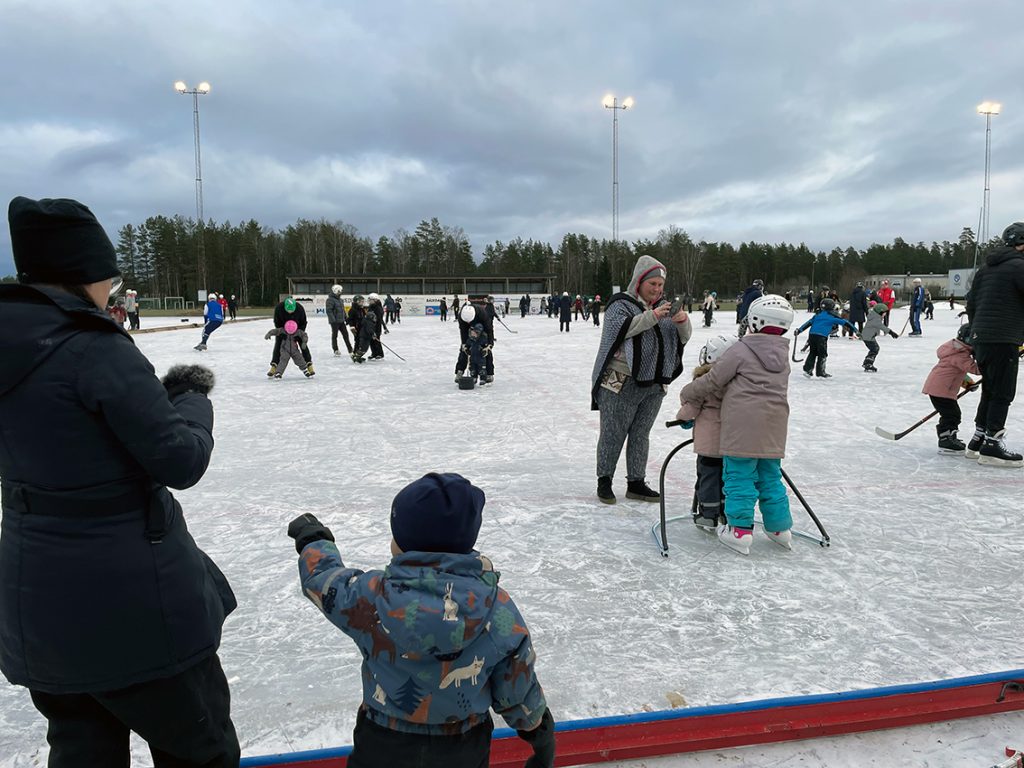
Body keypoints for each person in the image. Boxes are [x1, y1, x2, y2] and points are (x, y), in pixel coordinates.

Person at [0, 196, 239, 766]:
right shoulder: (93, 348)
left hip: (38, 596)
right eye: (109, 278)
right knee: (199, 748)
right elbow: (181, 460)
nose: (111, 291)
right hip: (132, 603)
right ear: (85, 272)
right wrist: (190, 397)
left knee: (83, 750)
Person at [286, 472, 554, 768]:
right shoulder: (496, 607)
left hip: (381, 743)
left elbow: (323, 581)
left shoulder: (371, 596)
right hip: (463, 747)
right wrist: (537, 728)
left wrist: (314, 540)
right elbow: (516, 685)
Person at [677, 295, 795, 555]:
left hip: (742, 426)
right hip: (775, 424)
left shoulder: (741, 350)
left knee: (739, 476)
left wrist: (688, 392)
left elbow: (713, 380)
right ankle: (779, 528)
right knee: (770, 477)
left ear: (755, 319)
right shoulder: (782, 353)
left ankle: (740, 531)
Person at [591, 255, 691, 504]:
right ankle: (604, 480)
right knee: (613, 433)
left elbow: (683, 337)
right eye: (652, 284)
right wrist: (653, 315)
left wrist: (682, 322)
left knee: (640, 434)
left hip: (654, 383)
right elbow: (621, 330)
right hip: (619, 380)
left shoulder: (665, 307)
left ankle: (636, 482)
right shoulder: (620, 304)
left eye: (660, 285)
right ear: (639, 281)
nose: (657, 289)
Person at [964, 222, 1024, 467]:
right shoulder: (1019, 267)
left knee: (990, 389)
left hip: (982, 338)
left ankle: (978, 439)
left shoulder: (985, 269)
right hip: (1003, 338)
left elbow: (971, 304)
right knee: (1002, 392)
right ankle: (992, 445)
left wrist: (978, 332)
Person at [676, 333, 738, 533]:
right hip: (733, 441)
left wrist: (682, 418)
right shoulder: (739, 380)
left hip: (709, 444)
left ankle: (708, 514)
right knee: (727, 478)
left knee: (708, 476)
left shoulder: (704, 381)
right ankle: (725, 512)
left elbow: (692, 406)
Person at [921, 323, 979, 454]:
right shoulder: (960, 354)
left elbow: (955, 372)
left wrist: (968, 383)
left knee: (950, 414)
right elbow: (975, 369)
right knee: (952, 415)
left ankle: (949, 436)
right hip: (941, 390)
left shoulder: (955, 349)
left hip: (939, 388)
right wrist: (991, 363)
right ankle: (945, 440)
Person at [794, 298, 858, 378]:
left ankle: (808, 370)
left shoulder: (817, 316)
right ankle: (820, 372)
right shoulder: (831, 317)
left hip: (812, 335)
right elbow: (845, 322)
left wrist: (799, 330)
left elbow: (808, 323)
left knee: (812, 353)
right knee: (822, 354)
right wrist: (855, 330)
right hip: (821, 337)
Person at [268, 297, 313, 377]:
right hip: (283, 329)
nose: (290, 312)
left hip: (297, 329)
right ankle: (274, 366)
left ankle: (309, 364)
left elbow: (304, 322)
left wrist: (300, 333)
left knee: (303, 345)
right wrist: (281, 333)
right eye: (288, 310)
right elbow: (276, 321)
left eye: (292, 310)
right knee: (278, 344)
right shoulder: (279, 308)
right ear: (285, 307)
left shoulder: (300, 309)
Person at [455, 302, 495, 383]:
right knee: (464, 350)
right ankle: (460, 371)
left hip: (481, 326)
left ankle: (489, 373)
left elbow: (489, 329)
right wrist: (464, 344)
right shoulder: (461, 316)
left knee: (485, 349)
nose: (469, 323)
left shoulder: (482, 314)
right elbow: (463, 331)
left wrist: (490, 344)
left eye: (470, 321)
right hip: (467, 328)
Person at [861, 303, 899, 372]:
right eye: (884, 313)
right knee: (874, 349)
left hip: (869, 336)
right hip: (868, 337)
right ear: (880, 312)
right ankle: (868, 364)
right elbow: (882, 327)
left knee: (875, 349)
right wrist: (891, 332)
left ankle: (867, 363)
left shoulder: (875, 316)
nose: (885, 314)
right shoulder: (875, 319)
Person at [326, 284, 352, 356]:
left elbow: (343, 310)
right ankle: (336, 350)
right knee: (335, 335)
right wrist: (333, 320)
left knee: (346, 335)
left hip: (341, 321)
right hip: (335, 322)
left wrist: (346, 318)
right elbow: (329, 311)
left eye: (340, 291)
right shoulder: (330, 300)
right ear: (335, 291)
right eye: (339, 291)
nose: (340, 292)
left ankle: (350, 349)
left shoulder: (340, 300)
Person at [348, 295, 370, 363]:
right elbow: (350, 319)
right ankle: (355, 355)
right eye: (361, 301)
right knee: (357, 341)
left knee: (360, 342)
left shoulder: (361, 309)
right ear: (356, 302)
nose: (362, 303)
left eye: (363, 301)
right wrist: (352, 327)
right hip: (356, 328)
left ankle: (358, 355)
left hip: (362, 328)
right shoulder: (352, 310)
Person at [366, 293, 387, 360]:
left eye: (371, 300)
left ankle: (380, 354)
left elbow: (378, 319)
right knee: (371, 341)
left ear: (375, 300)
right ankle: (374, 353)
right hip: (370, 326)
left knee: (376, 340)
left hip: (376, 327)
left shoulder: (378, 308)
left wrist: (375, 327)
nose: (369, 301)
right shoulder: (371, 307)